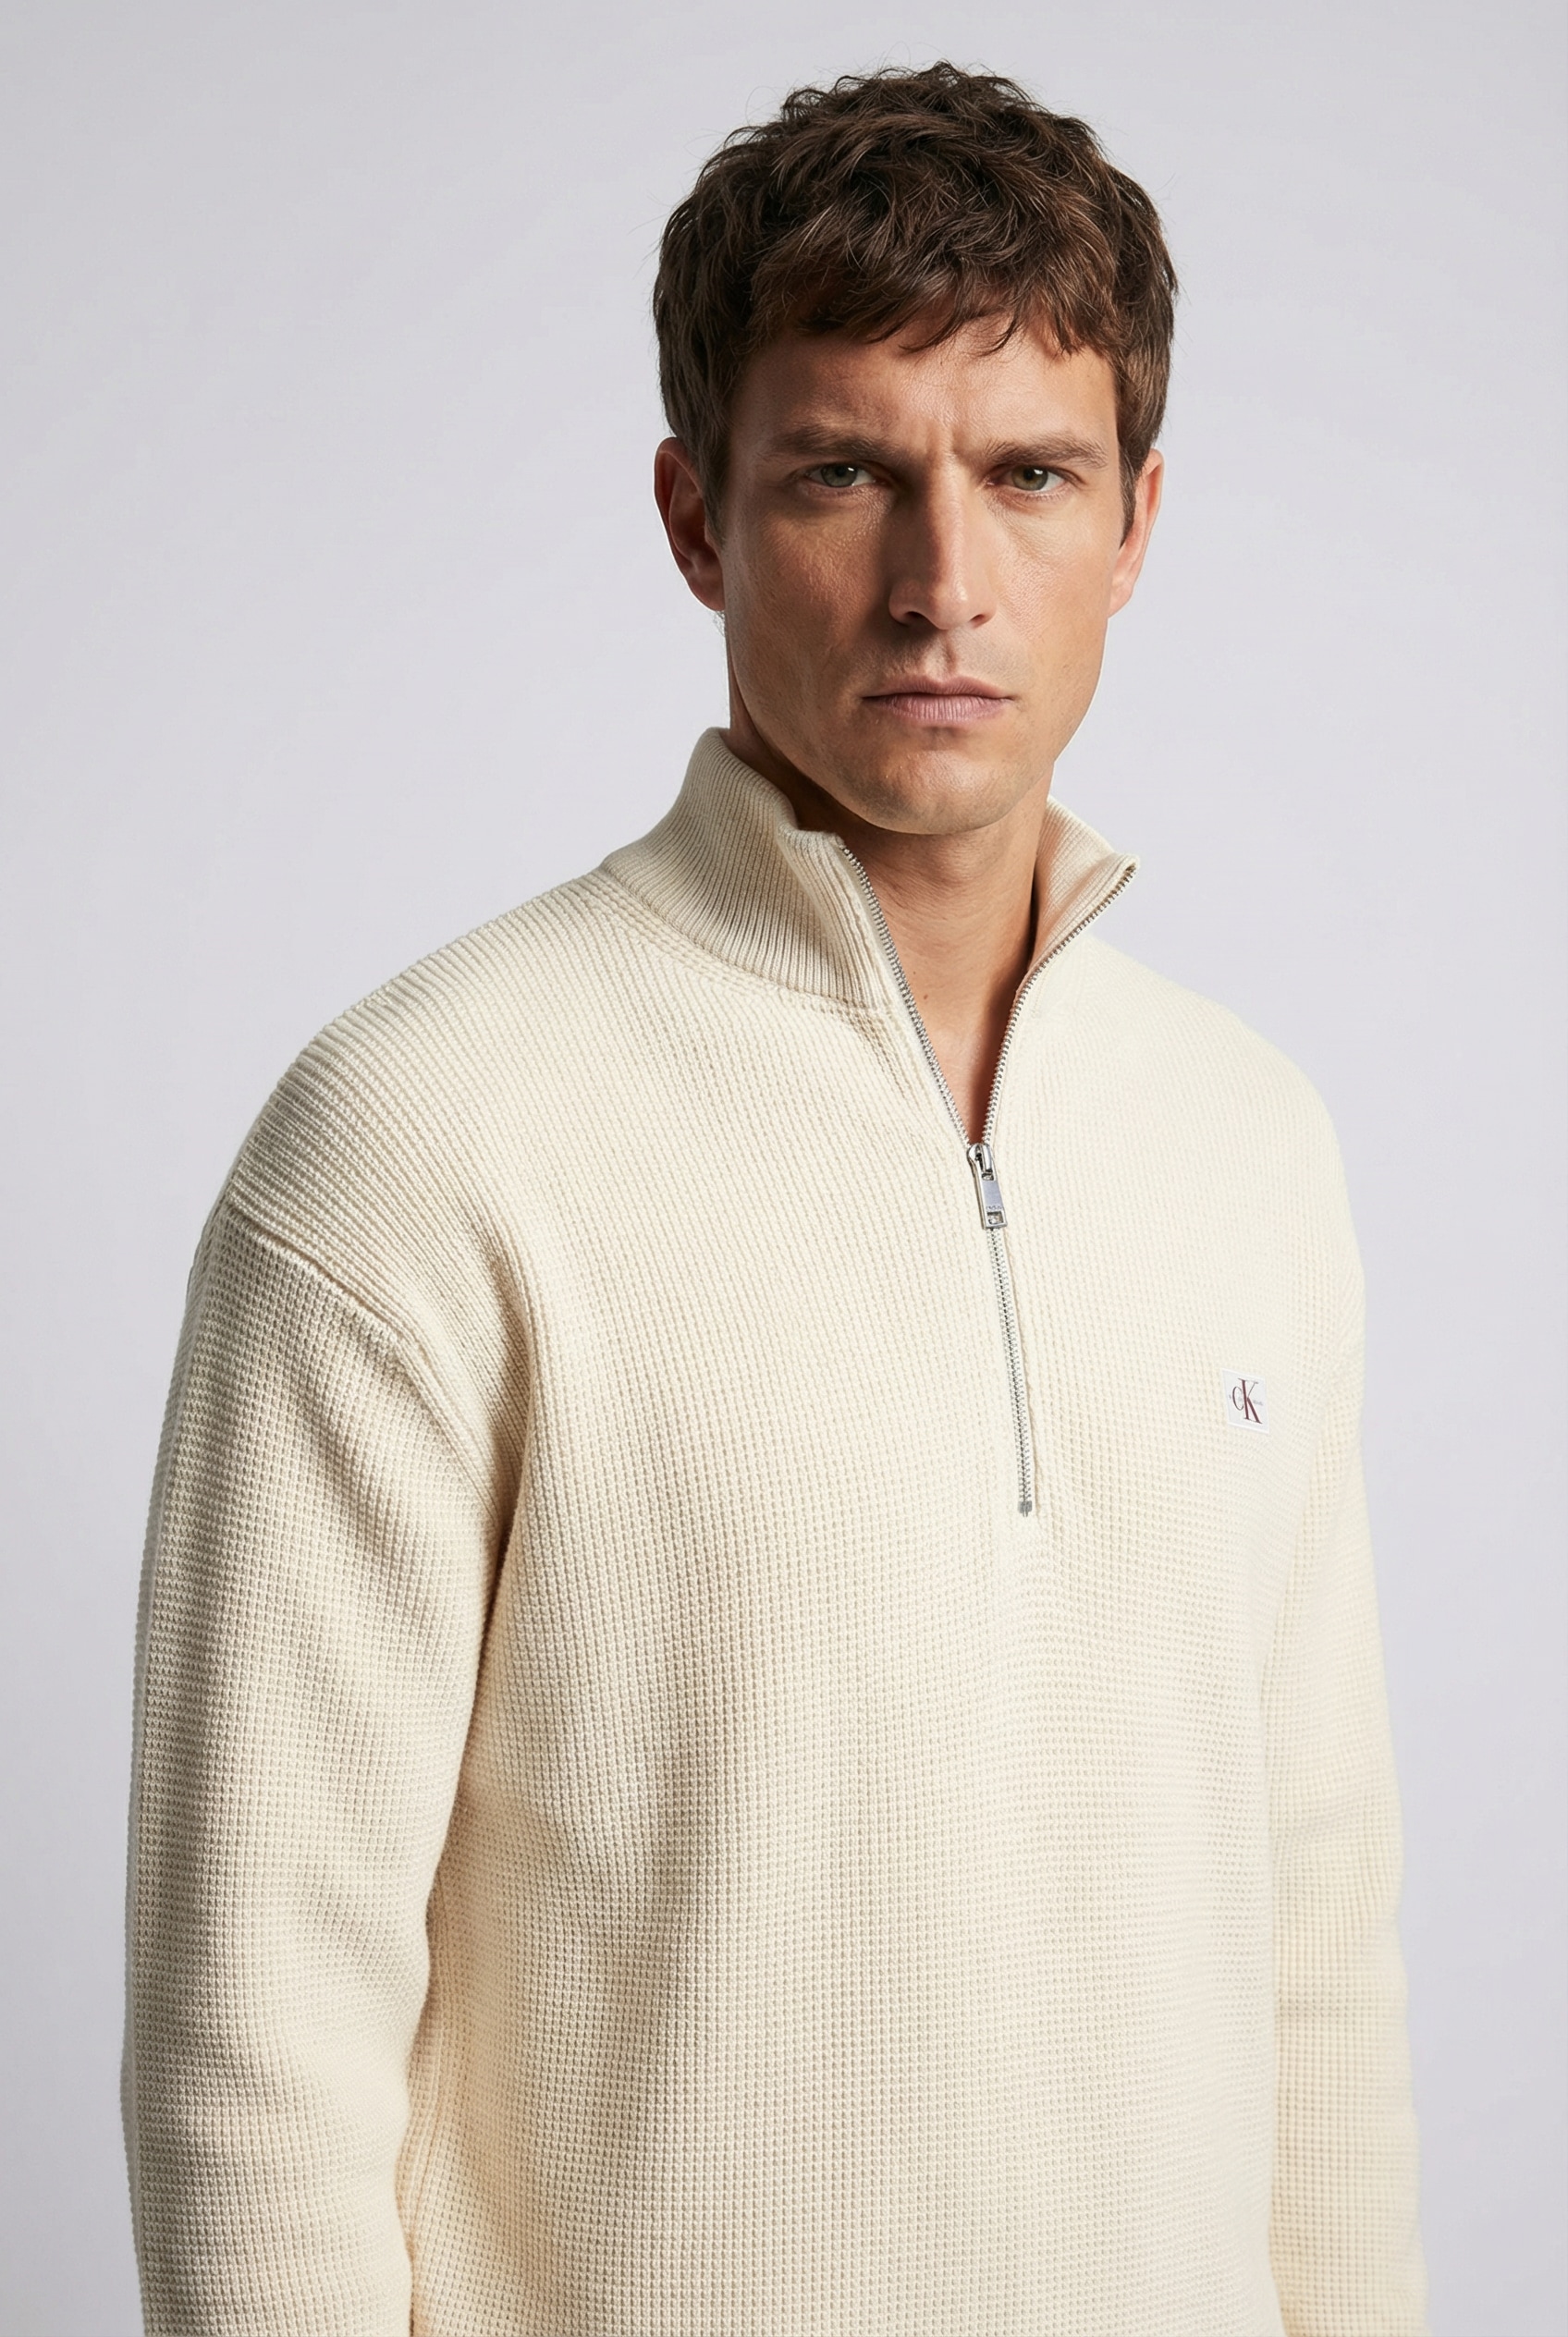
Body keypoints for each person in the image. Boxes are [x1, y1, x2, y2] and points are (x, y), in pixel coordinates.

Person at [123, 61, 1427, 2337]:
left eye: (1027, 475)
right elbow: (258, 2034)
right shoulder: (417, 1136)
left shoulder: (1246, 1139)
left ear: (1133, 524)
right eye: (842, 472)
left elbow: (1311, 1948)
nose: (942, 585)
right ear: (693, 516)